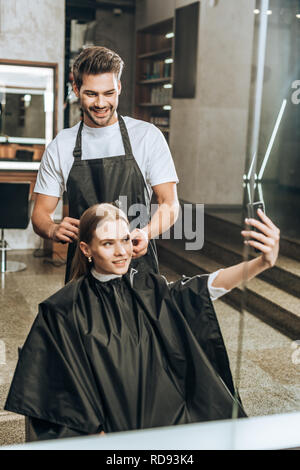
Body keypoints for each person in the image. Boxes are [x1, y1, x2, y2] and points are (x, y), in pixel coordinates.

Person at [5, 203, 280, 441]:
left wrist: (262, 263)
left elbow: (204, 287)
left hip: (164, 422)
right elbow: (55, 387)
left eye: (124, 240)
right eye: (108, 243)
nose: (121, 252)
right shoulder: (63, 310)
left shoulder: (150, 288)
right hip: (110, 432)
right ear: (86, 249)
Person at [31, 46, 180, 282]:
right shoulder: (61, 145)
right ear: (76, 90)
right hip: (83, 270)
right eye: (91, 94)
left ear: (119, 88)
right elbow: (40, 213)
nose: (101, 103)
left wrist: (146, 232)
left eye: (109, 93)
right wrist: (52, 229)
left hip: (137, 265)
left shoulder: (147, 137)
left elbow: (169, 204)